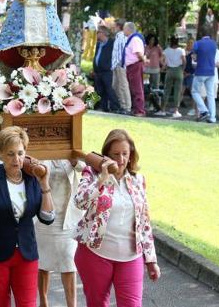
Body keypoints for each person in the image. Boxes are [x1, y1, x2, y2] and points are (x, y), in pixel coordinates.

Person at [73, 129, 160, 307]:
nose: (121, 160)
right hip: (95, 254)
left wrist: (151, 260)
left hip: (130, 256)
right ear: (106, 156)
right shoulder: (92, 174)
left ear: (131, 155)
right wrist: (101, 180)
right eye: (115, 154)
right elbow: (80, 202)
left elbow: (144, 222)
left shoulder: (138, 180)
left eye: (125, 154)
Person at [0, 126, 55, 307]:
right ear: (0, 153)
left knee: (28, 304)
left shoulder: (32, 179)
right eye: (10, 154)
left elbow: (47, 218)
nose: (16, 160)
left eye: (20, 153)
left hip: (26, 254)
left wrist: (44, 184)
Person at [36, 160, 85, 307]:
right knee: (43, 262)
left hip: (68, 218)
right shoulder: (41, 152)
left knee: (69, 262)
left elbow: (85, 166)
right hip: (44, 216)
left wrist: (75, 160)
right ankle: (43, 302)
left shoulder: (71, 152)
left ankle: (72, 304)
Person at [190, 35, 218, 123]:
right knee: (210, 95)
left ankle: (204, 110)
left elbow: (194, 58)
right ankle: (213, 117)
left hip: (200, 71)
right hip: (211, 72)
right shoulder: (214, 44)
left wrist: (195, 58)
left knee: (194, 91)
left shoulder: (197, 43)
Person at [93, 26, 120, 113]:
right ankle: (102, 107)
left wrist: (109, 66)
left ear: (104, 33)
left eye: (98, 32)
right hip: (98, 70)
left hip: (107, 71)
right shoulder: (98, 44)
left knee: (109, 89)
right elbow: (96, 56)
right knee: (99, 90)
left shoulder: (112, 43)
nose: (97, 34)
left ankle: (116, 107)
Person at [158, 36, 186, 118]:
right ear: (177, 42)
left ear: (170, 42)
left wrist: (164, 65)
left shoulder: (166, 50)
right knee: (177, 91)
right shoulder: (181, 50)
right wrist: (183, 69)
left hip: (169, 71)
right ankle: (176, 111)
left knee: (167, 90)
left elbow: (161, 60)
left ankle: (162, 110)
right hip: (179, 70)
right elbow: (184, 61)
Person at [123, 22, 146, 116]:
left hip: (135, 65)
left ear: (129, 29)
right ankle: (136, 109)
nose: (123, 30)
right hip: (131, 66)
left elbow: (139, 53)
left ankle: (140, 110)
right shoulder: (131, 39)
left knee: (137, 88)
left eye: (124, 28)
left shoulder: (135, 39)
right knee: (133, 88)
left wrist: (144, 60)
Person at [110, 19, 131, 114]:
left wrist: (121, 63)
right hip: (116, 64)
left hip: (121, 64)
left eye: (115, 26)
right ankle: (121, 104)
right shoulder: (118, 36)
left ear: (119, 26)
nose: (113, 28)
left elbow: (124, 51)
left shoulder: (123, 36)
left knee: (123, 85)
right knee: (115, 85)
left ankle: (126, 107)